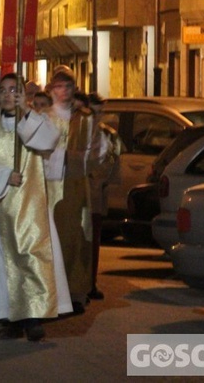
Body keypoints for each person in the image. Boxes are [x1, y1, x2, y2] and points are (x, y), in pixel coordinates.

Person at [0, 73, 72, 341]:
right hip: (1, 204)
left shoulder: (36, 124)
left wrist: (26, 113)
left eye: (14, 90)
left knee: (32, 256)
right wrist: (3, 176)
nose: (7, 95)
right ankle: (11, 316)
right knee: (5, 262)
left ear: (24, 95)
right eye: (3, 90)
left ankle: (33, 317)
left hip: (32, 204)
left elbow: (49, 140)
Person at [44, 67, 102, 313]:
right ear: (51, 90)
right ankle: (53, 292)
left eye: (68, 87)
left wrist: (79, 159)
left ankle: (77, 293)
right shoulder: (44, 117)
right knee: (53, 239)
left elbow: (96, 152)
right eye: (59, 87)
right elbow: (38, 151)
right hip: (51, 186)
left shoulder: (85, 119)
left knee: (78, 237)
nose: (64, 92)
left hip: (77, 185)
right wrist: (62, 157)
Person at [87, 93, 121, 300]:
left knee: (94, 243)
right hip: (81, 195)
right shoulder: (76, 132)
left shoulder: (109, 135)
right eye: (93, 112)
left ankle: (91, 282)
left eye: (100, 113)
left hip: (97, 196)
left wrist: (104, 180)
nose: (97, 117)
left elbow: (115, 165)